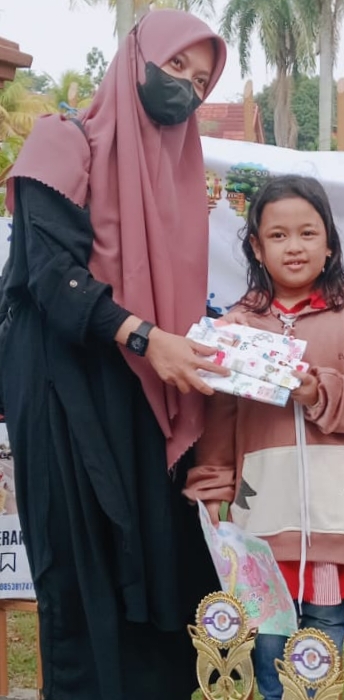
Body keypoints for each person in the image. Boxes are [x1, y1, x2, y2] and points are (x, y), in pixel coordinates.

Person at [0, 10, 231, 700]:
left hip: (147, 396)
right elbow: (49, 275)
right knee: (85, 576)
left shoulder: (176, 181)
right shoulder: (63, 140)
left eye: (200, 80)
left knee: (165, 576)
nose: (184, 87)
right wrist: (143, 337)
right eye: (175, 66)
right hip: (67, 391)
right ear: (134, 60)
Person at [183, 175, 344, 700]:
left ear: (329, 243)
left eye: (308, 233)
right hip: (261, 523)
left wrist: (318, 390)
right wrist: (213, 489)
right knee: (268, 645)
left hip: (333, 518)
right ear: (256, 248)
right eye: (278, 235)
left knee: (321, 643)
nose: (295, 247)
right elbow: (220, 419)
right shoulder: (236, 329)